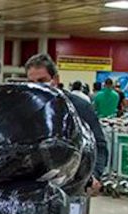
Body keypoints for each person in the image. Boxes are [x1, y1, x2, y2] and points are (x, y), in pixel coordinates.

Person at [25, 53, 108, 193]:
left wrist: (94, 175)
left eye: (42, 80)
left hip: (73, 183)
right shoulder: (27, 109)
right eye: (32, 82)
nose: (37, 87)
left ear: (55, 79)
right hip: (36, 184)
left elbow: (99, 143)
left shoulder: (78, 106)